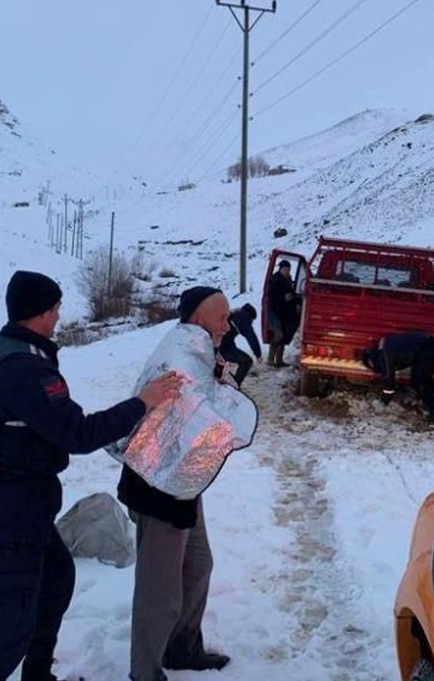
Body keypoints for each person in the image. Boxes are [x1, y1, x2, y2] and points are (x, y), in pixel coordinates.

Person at [0, 270, 182, 681]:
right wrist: (142, 403)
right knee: (5, 631)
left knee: (56, 582)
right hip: (4, 517)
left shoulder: (3, 349)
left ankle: (38, 674)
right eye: (55, 307)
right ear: (38, 313)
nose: (59, 315)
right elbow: (79, 433)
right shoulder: (24, 369)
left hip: (15, 506)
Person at [115, 286, 258, 681]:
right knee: (158, 590)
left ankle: (181, 648)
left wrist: (229, 355)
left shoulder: (198, 348)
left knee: (197, 565)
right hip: (157, 485)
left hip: (180, 481)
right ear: (198, 319)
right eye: (222, 317)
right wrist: (229, 365)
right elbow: (209, 408)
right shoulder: (182, 353)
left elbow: (218, 381)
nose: (227, 325)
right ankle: (144, 671)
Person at [361, 331, 434, 419]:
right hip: (428, 344)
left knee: (419, 381)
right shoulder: (383, 349)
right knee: (423, 379)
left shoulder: (384, 355)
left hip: (426, 347)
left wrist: (384, 402)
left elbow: (389, 378)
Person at [217, 303, 261, 387]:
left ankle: (228, 381)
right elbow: (251, 337)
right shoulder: (242, 319)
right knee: (247, 361)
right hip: (223, 347)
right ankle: (235, 385)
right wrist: (258, 354)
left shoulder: (232, 313)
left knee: (220, 365)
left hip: (215, 345)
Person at [266, 260, 299, 368]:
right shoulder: (275, 280)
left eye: (288, 270)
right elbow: (271, 296)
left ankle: (279, 360)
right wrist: (283, 298)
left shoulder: (288, 280)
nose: (287, 271)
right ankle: (270, 359)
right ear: (280, 269)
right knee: (278, 333)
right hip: (274, 311)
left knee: (284, 335)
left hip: (284, 312)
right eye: (285, 269)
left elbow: (292, 293)